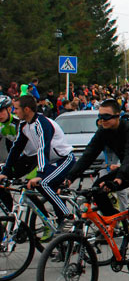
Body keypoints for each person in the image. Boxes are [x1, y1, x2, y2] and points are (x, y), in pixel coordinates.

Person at [63, 99, 129, 281]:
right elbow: (88, 154)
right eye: (99, 117)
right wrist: (69, 178)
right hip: (124, 169)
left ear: (117, 116)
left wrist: (119, 178)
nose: (102, 121)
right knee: (97, 190)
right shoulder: (103, 132)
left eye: (106, 117)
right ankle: (119, 225)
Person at [0, 94, 75, 234]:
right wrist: (5, 172)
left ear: (27, 109)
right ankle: (62, 235)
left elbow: (43, 148)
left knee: (43, 183)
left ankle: (68, 217)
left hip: (64, 159)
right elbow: (16, 149)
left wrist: (40, 174)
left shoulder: (42, 123)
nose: (14, 112)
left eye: (16, 109)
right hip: (49, 162)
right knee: (39, 186)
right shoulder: (25, 125)